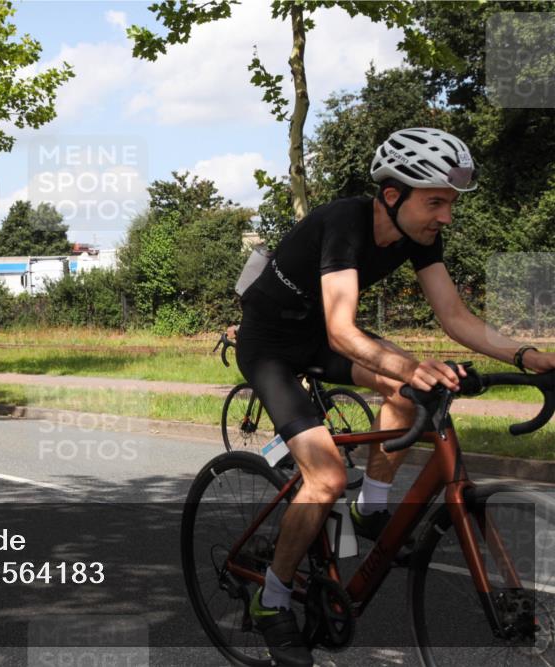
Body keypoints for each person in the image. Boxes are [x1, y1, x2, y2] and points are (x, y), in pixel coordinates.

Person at [235, 127, 555, 666]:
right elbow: (342, 329)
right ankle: (272, 599)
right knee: (325, 477)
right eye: (435, 202)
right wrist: (412, 367)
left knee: (406, 394)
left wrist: (527, 356)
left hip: (316, 340)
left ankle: (371, 508)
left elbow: (455, 317)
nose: (446, 216)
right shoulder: (344, 223)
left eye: (450, 203)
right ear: (392, 194)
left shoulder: (419, 236)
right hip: (269, 347)